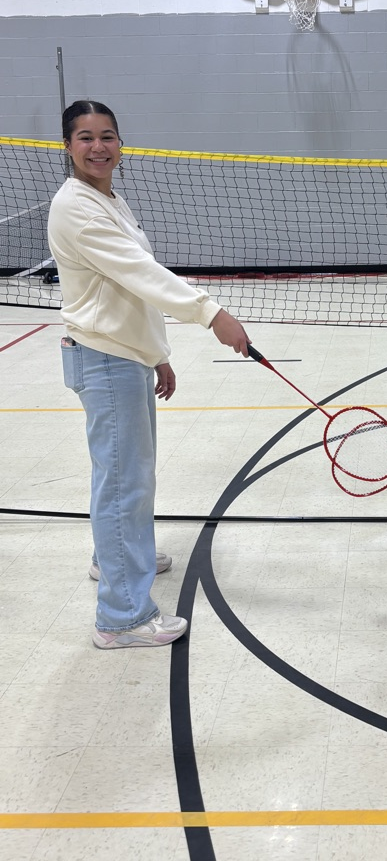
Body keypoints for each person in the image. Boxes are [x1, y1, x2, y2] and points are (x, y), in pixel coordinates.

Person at [47, 100, 251, 650]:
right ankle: (122, 617)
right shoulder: (77, 208)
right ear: (67, 146)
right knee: (122, 486)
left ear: (120, 143)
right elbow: (141, 272)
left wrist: (156, 352)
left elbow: (127, 289)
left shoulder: (109, 198)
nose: (98, 147)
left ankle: (115, 556)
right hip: (105, 359)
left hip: (124, 355)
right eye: (85, 137)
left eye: (107, 136)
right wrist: (212, 315)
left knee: (127, 480)